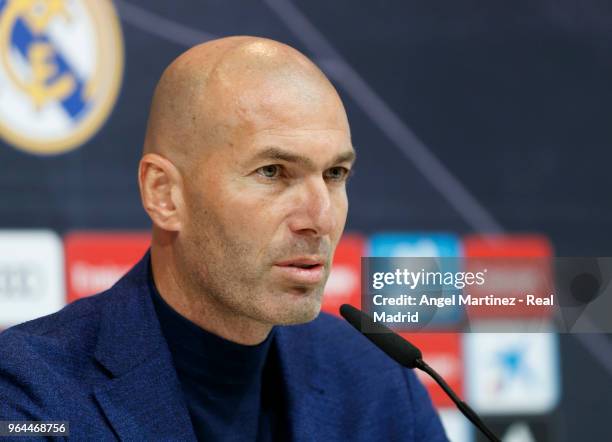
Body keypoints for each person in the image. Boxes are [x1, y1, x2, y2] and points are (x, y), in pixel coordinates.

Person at [0, 36, 447, 441]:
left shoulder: (376, 379)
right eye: (272, 172)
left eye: (335, 174)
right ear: (164, 194)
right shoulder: (30, 391)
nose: (320, 218)